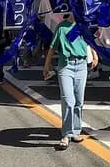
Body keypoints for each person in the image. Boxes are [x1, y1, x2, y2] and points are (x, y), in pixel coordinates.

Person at [43, 13, 99, 149]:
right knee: (68, 100)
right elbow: (52, 47)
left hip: (81, 65)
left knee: (79, 101)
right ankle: (66, 134)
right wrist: (47, 65)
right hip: (66, 65)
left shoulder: (83, 25)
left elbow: (89, 42)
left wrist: (94, 54)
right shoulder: (62, 27)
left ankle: (75, 131)